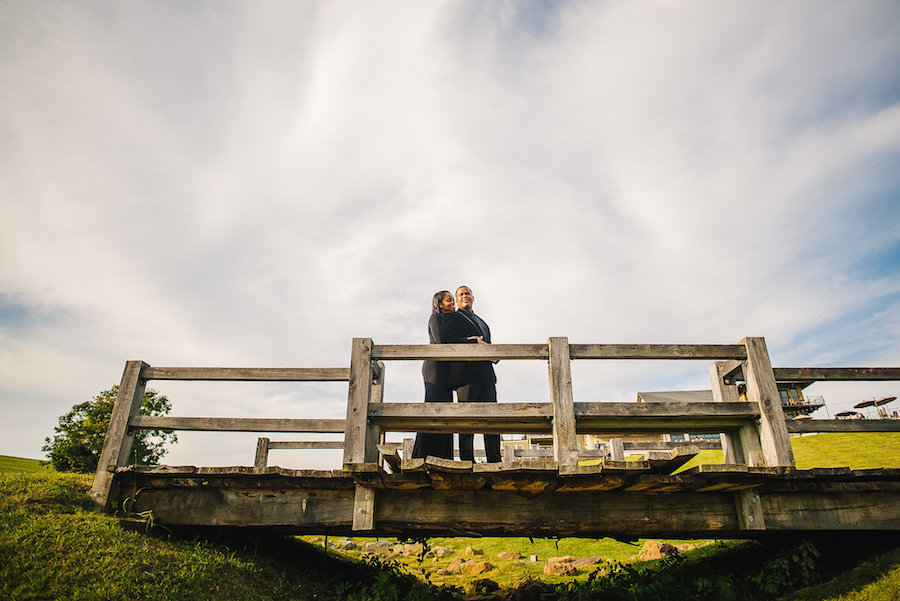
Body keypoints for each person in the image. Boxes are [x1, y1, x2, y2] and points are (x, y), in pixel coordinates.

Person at [444, 285, 502, 463]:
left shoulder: (483, 322)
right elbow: (448, 339)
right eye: (460, 294)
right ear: (457, 299)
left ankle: (494, 458)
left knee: (492, 418)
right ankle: (467, 460)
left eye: (467, 293)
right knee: (466, 418)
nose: (464, 296)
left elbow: (488, 345)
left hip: (486, 375)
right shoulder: (454, 316)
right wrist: (471, 342)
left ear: (473, 297)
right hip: (466, 375)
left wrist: (494, 355)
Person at [411, 291, 456, 460]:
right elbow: (441, 341)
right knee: (433, 407)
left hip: (447, 370)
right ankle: (423, 455)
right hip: (435, 368)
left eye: (453, 300)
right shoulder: (435, 318)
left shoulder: (451, 320)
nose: (453, 302)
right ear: (439, 303)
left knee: (446, 409)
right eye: (449, 300)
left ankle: (443, 456)